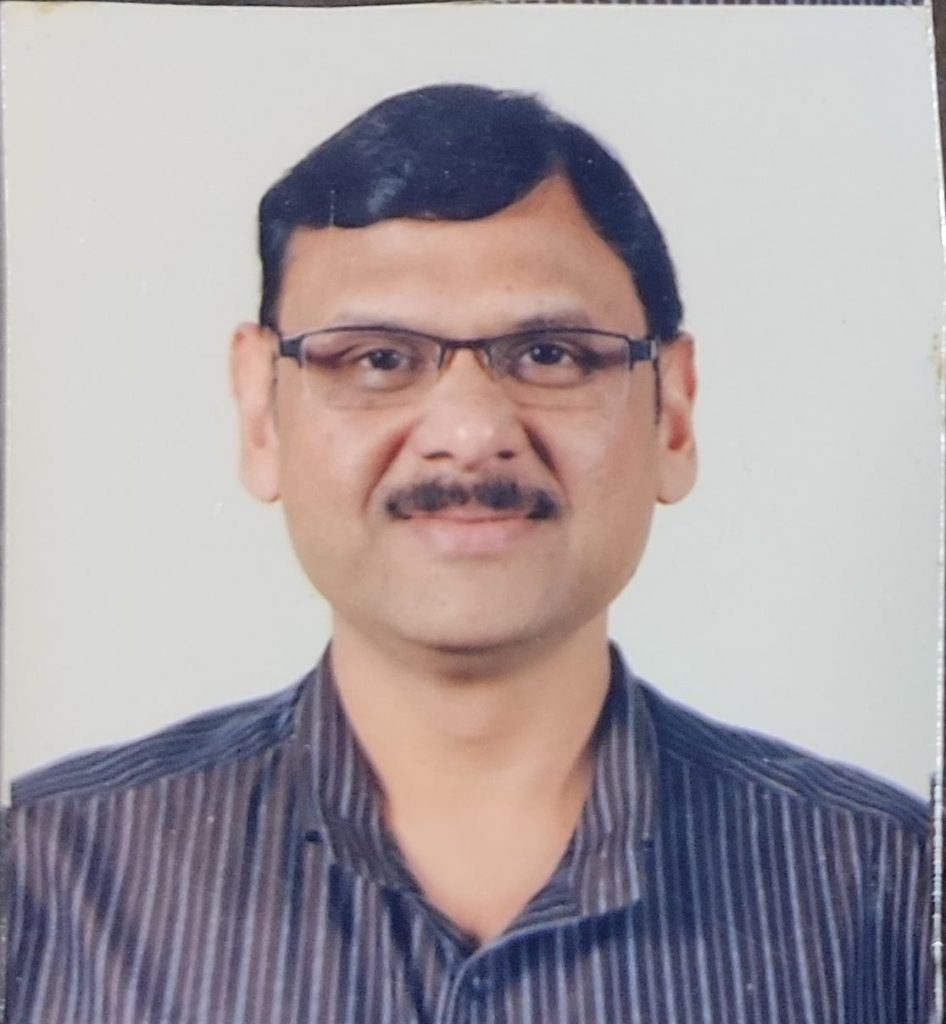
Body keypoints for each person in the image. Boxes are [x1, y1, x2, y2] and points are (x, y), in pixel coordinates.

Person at [3, 84, 930, 1024]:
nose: (470, 433)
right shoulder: (46, 874)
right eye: (378, 359)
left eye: (552, 354)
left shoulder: (885, 884)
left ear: (674, 415)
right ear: (260, 413)